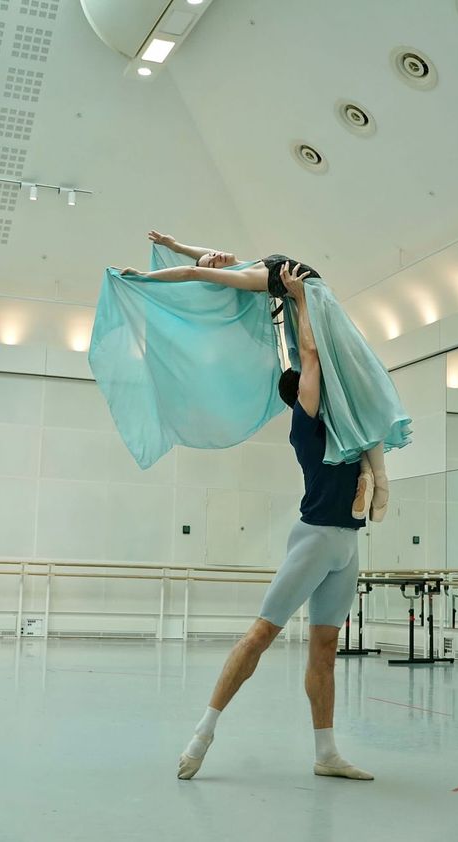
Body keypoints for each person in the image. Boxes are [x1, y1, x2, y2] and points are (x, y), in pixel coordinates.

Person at [176, 262, 374, 782]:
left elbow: (328, 365)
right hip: (313, 540)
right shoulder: (306, 425)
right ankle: (203, 732)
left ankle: (326, 752)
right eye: (314, 383)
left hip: (347, 545)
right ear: (303, 396)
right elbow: (309, 354)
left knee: (326, 648)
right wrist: (300, 297)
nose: (323, 383)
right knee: (262, 634)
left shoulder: (346, 424)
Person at [120, 231, 412, 521]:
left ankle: (369, 474)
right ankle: (377, 479)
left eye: (210, 254)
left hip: (322, 311)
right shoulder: (249, 279)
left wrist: (176, 245)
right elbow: (191, 273)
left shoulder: (246, 265)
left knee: (356, 390)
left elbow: (201, 260)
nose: (213, 255)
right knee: (359, 388)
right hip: (319, 318)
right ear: (219, 274)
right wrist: (145, 278)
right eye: (210, 260)